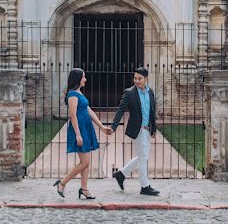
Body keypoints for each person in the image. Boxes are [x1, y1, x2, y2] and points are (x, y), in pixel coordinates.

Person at [54, 68, 113, 200]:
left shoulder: (78, 93)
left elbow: (89, 111)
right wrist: (78, 135)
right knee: (85, 162)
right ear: (78, 79)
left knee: (85, 162)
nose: (85, 79)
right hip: (79, 129)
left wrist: (102, 127)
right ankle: (62, 183)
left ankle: (84, 189)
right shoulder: (72, 95)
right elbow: (73, 115)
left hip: (86, 127)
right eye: (83, 77)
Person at [110, 67, 160, 196]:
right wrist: (113, 126)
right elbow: (120, 109)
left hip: (147, 130)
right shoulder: (129, 92)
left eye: (140, 78)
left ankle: (121, 174)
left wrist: (153, 128)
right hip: (137, 130)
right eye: (135, 78)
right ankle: (145, 186)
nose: (137, 81)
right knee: (143, 158)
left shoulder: (150, 92)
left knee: (142, 157)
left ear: (146, 79)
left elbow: (152, 111)